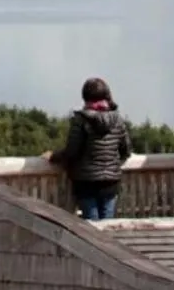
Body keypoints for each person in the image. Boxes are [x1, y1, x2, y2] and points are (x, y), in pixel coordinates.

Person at [46, 77, 133, 220]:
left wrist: (52, 156)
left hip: (86, 182)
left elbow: (71, 152)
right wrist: (112, 164)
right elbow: (126, 150)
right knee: (107, 228)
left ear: (85, 97)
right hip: (110, 183)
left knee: (91, 229)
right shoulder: (117, 120)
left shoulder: (80, 120)